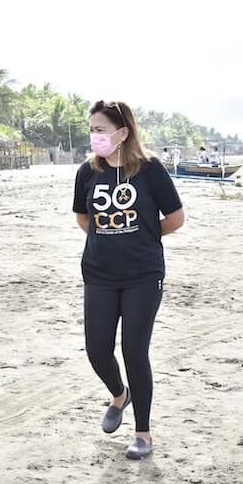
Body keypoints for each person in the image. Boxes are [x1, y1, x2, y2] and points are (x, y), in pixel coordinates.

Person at [73, 100, 185, 460]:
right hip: (100, 275)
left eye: (101, 130)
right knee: (97, 350)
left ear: (122, 133)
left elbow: (176, 218)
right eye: (91, 129)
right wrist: (110, 236)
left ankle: (143, 433)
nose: (95, 136)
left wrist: (144, 236)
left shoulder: (150, 170)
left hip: (143, 275)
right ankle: (119, 394)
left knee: (135, 352)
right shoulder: (87, 172)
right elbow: (83, 218)